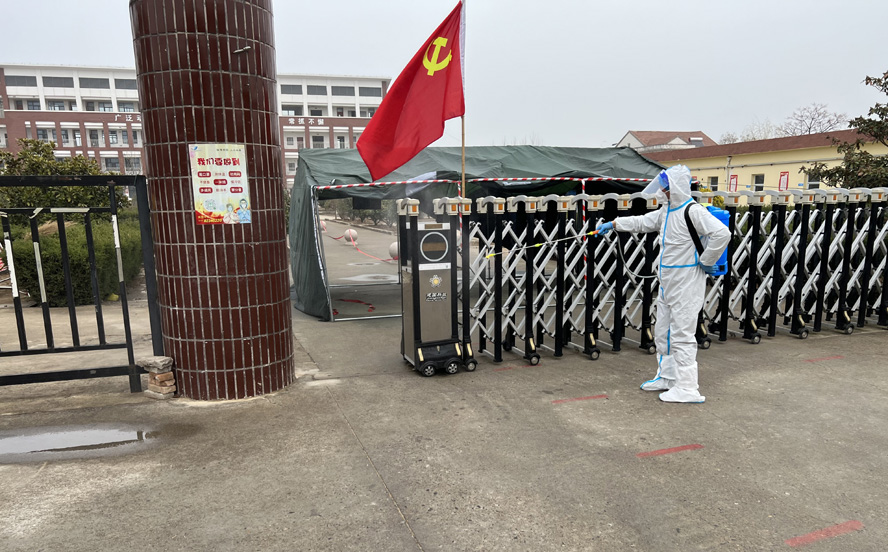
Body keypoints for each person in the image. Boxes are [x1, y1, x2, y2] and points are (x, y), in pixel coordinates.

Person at [595, 165, 730, 403]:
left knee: (682, 335)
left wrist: (707, 260)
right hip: (668, 282)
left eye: (666, 187)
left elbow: (722, 234)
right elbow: (642, 222)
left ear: (676, 187)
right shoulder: (667, 211)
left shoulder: (692, 211)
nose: (662, 191)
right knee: (663, 332)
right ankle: (667, 377)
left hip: (687, 282)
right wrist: (615, 224)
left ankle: (687, 388)